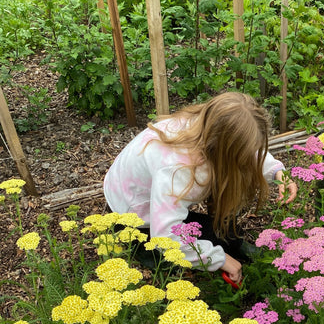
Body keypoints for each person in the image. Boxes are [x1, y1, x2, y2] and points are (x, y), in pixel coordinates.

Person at [104, 92, 297, 284]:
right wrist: (218, 259)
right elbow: (165, 235)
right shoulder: (178, 170)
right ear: (224, 151)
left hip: (157, 196)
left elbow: (248, 150)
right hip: (133, 215)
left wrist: (277, 173)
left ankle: (227, 245)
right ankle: (138, 246)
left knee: (226, 236)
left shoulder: (208, 127)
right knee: (173, 261)